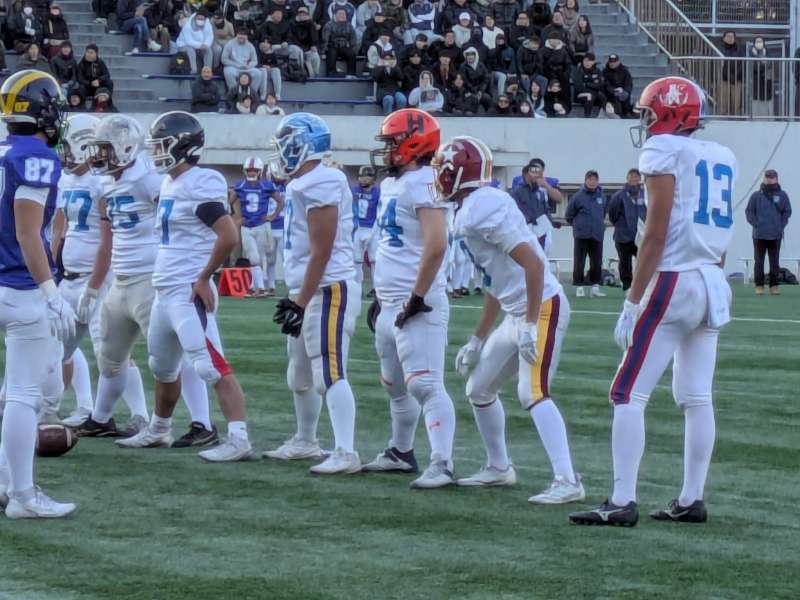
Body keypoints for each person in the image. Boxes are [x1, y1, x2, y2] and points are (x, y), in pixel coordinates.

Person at [570, 77, 738, 527]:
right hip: (711, 279)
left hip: (673, 279)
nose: (644, 121)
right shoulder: (722, 155)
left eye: (648, 112)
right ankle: (691, 497)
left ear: (668, 112)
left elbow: (656, 233)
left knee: (627, 391)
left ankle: (622, 500)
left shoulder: (663, 151)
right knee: (697, 396)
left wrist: (632, 299)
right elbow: (720, 234)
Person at [434, 136, 584, 503]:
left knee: (531, 391)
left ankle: (568, 480)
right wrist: (477, 338)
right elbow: (494, 281)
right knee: (478, 389)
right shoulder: (469, 209)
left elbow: (533, 264)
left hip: (542, 305)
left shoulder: (483, 207)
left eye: (444, 171)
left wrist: (531, 324)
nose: (437, 177)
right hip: (518, 310)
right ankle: (499, 467)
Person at [119, 111, 253, 462]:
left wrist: (205, 276)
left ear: (183, 146)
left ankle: (239, 438)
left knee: (210, 365)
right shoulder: (168, 182)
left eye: (163, 145)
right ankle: (159, 429)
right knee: (161, 366)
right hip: (165, 289)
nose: (157, 152)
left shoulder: (202, 180)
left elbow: (227, 234)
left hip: (187, 289)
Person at [75, 115, 216, 448]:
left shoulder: (149, 179)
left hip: (152, 279)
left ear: (125, 148)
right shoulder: (107, 181)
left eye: (106, 149)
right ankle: (101, 417)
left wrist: (199, 272)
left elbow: (187, 220)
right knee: (109, 356)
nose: (100, 156)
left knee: (174, 356)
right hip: (121, 281)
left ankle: (202, 422)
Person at [362, 109, 456, 488]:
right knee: (395, 385)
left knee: (426, 384)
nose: (386, 151)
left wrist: (417, 297)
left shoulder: (424, 182)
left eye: (392, 143)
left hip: (416, 301)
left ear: (413, 143)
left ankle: (443, 462)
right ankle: (401, 451)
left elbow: (436, 245)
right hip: (390, 300)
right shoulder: (395, 184)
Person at [265, 113, 362, 474]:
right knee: (299, 372)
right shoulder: (303, 183)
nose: (280, 151)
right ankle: (306, 440)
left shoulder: (323, 180)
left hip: (328, 287)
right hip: (307, 288)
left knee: (329, 370)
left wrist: (300, 301)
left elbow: (323, 249)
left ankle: (346, 451)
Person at [0, 70, 77, 519]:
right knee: (25, 396)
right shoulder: (37, 157)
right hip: (21, 287)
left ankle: (7, 481)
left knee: (16, 390)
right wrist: (50, 290)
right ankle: (23, 496)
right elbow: (30, 234)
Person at [49, 114, 107, 427]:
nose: (65, 155)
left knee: (110, 352)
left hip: (95, 277)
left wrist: (96, 284)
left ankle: (137, 416)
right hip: (68, 276)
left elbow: (108, 239)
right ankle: (79, 407)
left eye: (70, 148)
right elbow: (61, 228)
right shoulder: (65, 180)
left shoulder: (101, 182)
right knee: (57, 345)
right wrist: (53, 266)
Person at [231, 156, 283, 297]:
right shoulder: (240, 186)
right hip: (247, 226)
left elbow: (280, 202)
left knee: (260, 257)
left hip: (261, 225)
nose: (252, 173)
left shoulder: (266, 186)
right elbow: (229, 201)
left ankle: (257, 287)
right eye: (249, 170)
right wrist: (237, 216)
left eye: (254, 170)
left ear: (260, 171)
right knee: (253, 258)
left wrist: (272, 216)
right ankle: (259, 288)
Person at [746, 169, 792, 295]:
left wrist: (780, 226)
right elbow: (749, 212)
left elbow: (787, 211)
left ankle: (774, 286)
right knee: (759, 261)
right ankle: (759, 286)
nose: (769, 179)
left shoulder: (782, 195)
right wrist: (756, 224)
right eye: (767, 177)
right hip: (759, 235)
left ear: (776, 179)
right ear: (764, 178)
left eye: (771, 177)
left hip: (775, 235)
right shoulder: (756, 196)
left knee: (774, 262)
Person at [565, 170, 606, 298]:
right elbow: (569, 215)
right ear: (585, 181)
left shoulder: (602, 196)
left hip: (597, 234)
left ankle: (595, 287)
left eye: (595, 179)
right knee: (579, 261)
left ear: (597, 181)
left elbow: (603, 213)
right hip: (581, 235)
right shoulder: (578, 196)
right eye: (590, 179)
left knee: (597, 262)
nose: (592, 182)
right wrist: (579, 226)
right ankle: (579, 287)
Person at [511, 159, 561, 255]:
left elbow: (559, 199)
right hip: (528, 227)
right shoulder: (520, 185)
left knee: (543, 255)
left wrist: (546, 185)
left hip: (543, 227)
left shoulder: (546, 183)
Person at [607, 168, 645, 291]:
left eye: (636, 176)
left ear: (640, 179)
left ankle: (642, 285)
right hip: (623, 236)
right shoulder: (619, 195)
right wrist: (621, 225)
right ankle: (627, 286)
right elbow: (612, 214)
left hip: (641, 235)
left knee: (644, 261)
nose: (634, 179)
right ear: (627, 178)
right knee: (625, 262)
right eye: (631, 176)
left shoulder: (645, 194)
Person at [351, 165, 380, 289]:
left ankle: (375, 288)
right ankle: (357, 287)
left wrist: (374, 231)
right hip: (357, 228)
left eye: (367, 176)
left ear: (373, 178)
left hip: (373, 228)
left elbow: (380, 212)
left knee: (374, 260)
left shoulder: (378, 192)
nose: (363, 179)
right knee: (356, 260)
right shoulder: (354, 190)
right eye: (361, 176)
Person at [177, 8, 214, 74]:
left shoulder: (207, 23)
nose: (199, 20)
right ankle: (193, 70)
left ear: (205, 19)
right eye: (198, 18)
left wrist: (206, 44)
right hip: (184, 45)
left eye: (201, 19)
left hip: (199, 47)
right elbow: (188, 41)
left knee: (208, 50)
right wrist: (200, 46)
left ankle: (207, 71)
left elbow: (210, 36)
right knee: (190, 49)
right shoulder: (187, 25)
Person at [322, 8, 358, 76]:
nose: (342, 15)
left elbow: (353, 39)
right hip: (332, 46)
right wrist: (323, 51)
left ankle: (351, 74)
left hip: (344, 46)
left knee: (351, 54)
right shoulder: (329, 25)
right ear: (335, 15)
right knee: (332, 54)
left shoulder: (349, 25)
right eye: (340, 14)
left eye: (343, 14)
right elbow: (325, 39)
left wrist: (354, 50)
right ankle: (331, 74)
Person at [291, 5, 321, 77]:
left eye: (304, 13)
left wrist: (314, 46)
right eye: (300, 12)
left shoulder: (311, 24)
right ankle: (301, 73)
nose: (302, 14)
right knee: (298, 52)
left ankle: (314, 74)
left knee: (315, 55)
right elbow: (291, 38)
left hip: (308, 48)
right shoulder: (292, 23)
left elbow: (314, 38)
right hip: (297, 47)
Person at [459, 47, 492, 112]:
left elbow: (486, 79)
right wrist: (475, 91)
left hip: (480, 90)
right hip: (468, 90)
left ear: (475, 56)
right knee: (473, 99)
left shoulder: (481, 65)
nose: (470, 57)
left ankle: (489, 113)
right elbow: (465, 81)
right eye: (468, 55)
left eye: (471, 55)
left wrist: (480, 91)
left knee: (487, 98)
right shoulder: (463, 66)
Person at [572, 52, 605, 117]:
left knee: (603, 97)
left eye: (590, 61)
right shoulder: (578, 71)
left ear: (593, 62)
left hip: (594, 94)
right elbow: (578, 87)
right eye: (586, 61)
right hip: (580, 95)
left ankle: (602, 115)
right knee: (589, 96)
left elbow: (600, 85)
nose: (588, 63)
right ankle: (587, 117)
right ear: (583, 61)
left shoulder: (597, 70)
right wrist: (593, 85)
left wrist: (587, 84)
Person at [719, 30, 744, 116]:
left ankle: (736, 116)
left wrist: (735, 75)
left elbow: (742, 63)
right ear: (724, 38)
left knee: (736, 100)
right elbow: (721, 64)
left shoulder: (740, 49)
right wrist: (729, 75)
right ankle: (723, 116)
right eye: (728, 36)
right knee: (723, 99)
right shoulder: (720, 49)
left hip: (737, 78)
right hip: (724, 78)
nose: (730, 38)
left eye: (732, 36)